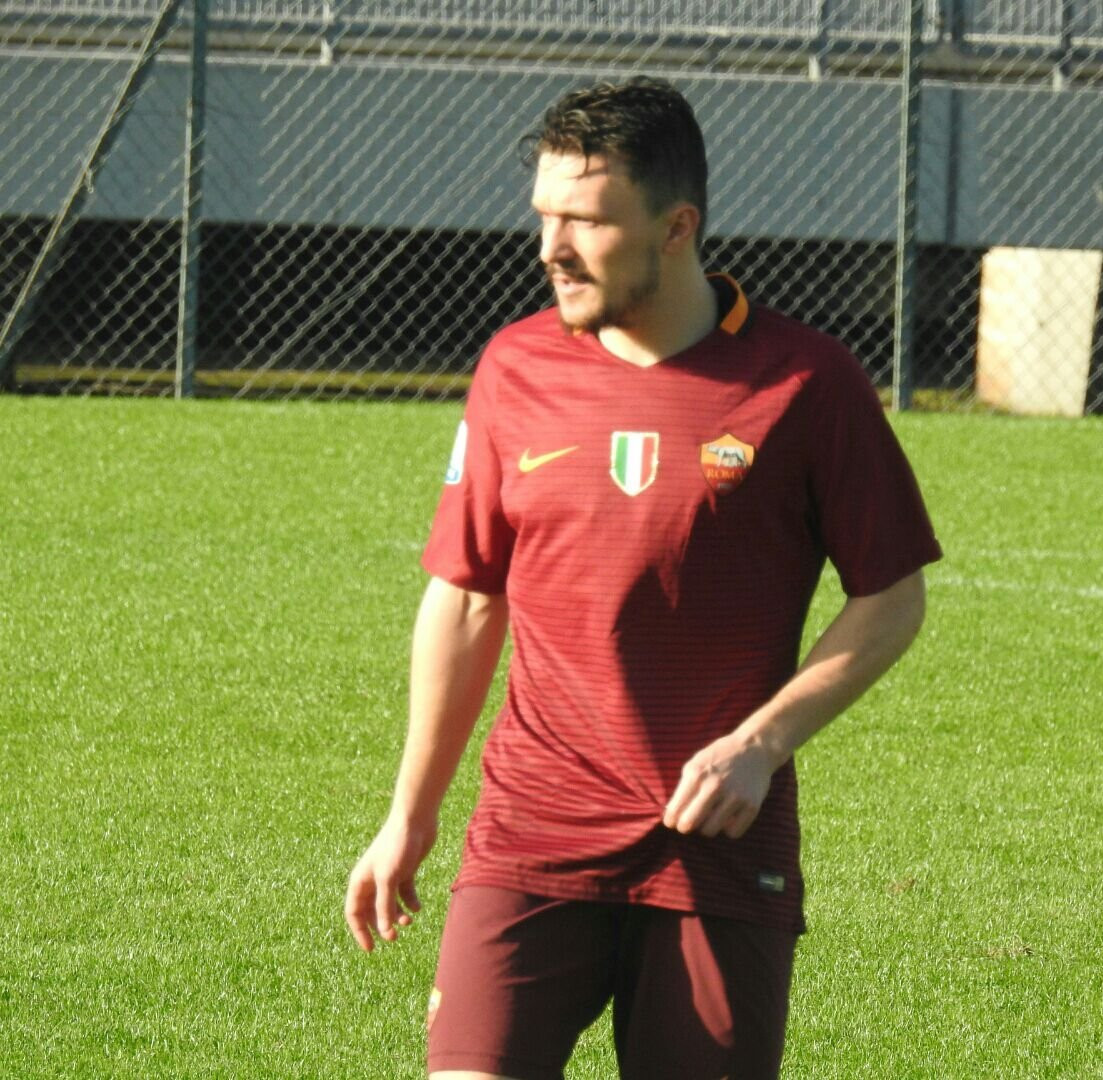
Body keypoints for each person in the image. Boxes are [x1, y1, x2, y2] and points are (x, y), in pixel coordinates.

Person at [345, 76, 942, 1079]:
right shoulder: (514, 369)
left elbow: (893, 596)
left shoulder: (805, 382)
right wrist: (410, 814)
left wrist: (761, 744)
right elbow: (468, 597)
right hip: (533, 827)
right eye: (544, 215)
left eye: (585, 220)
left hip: (716, 841)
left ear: (676, 228)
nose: (550, 247)